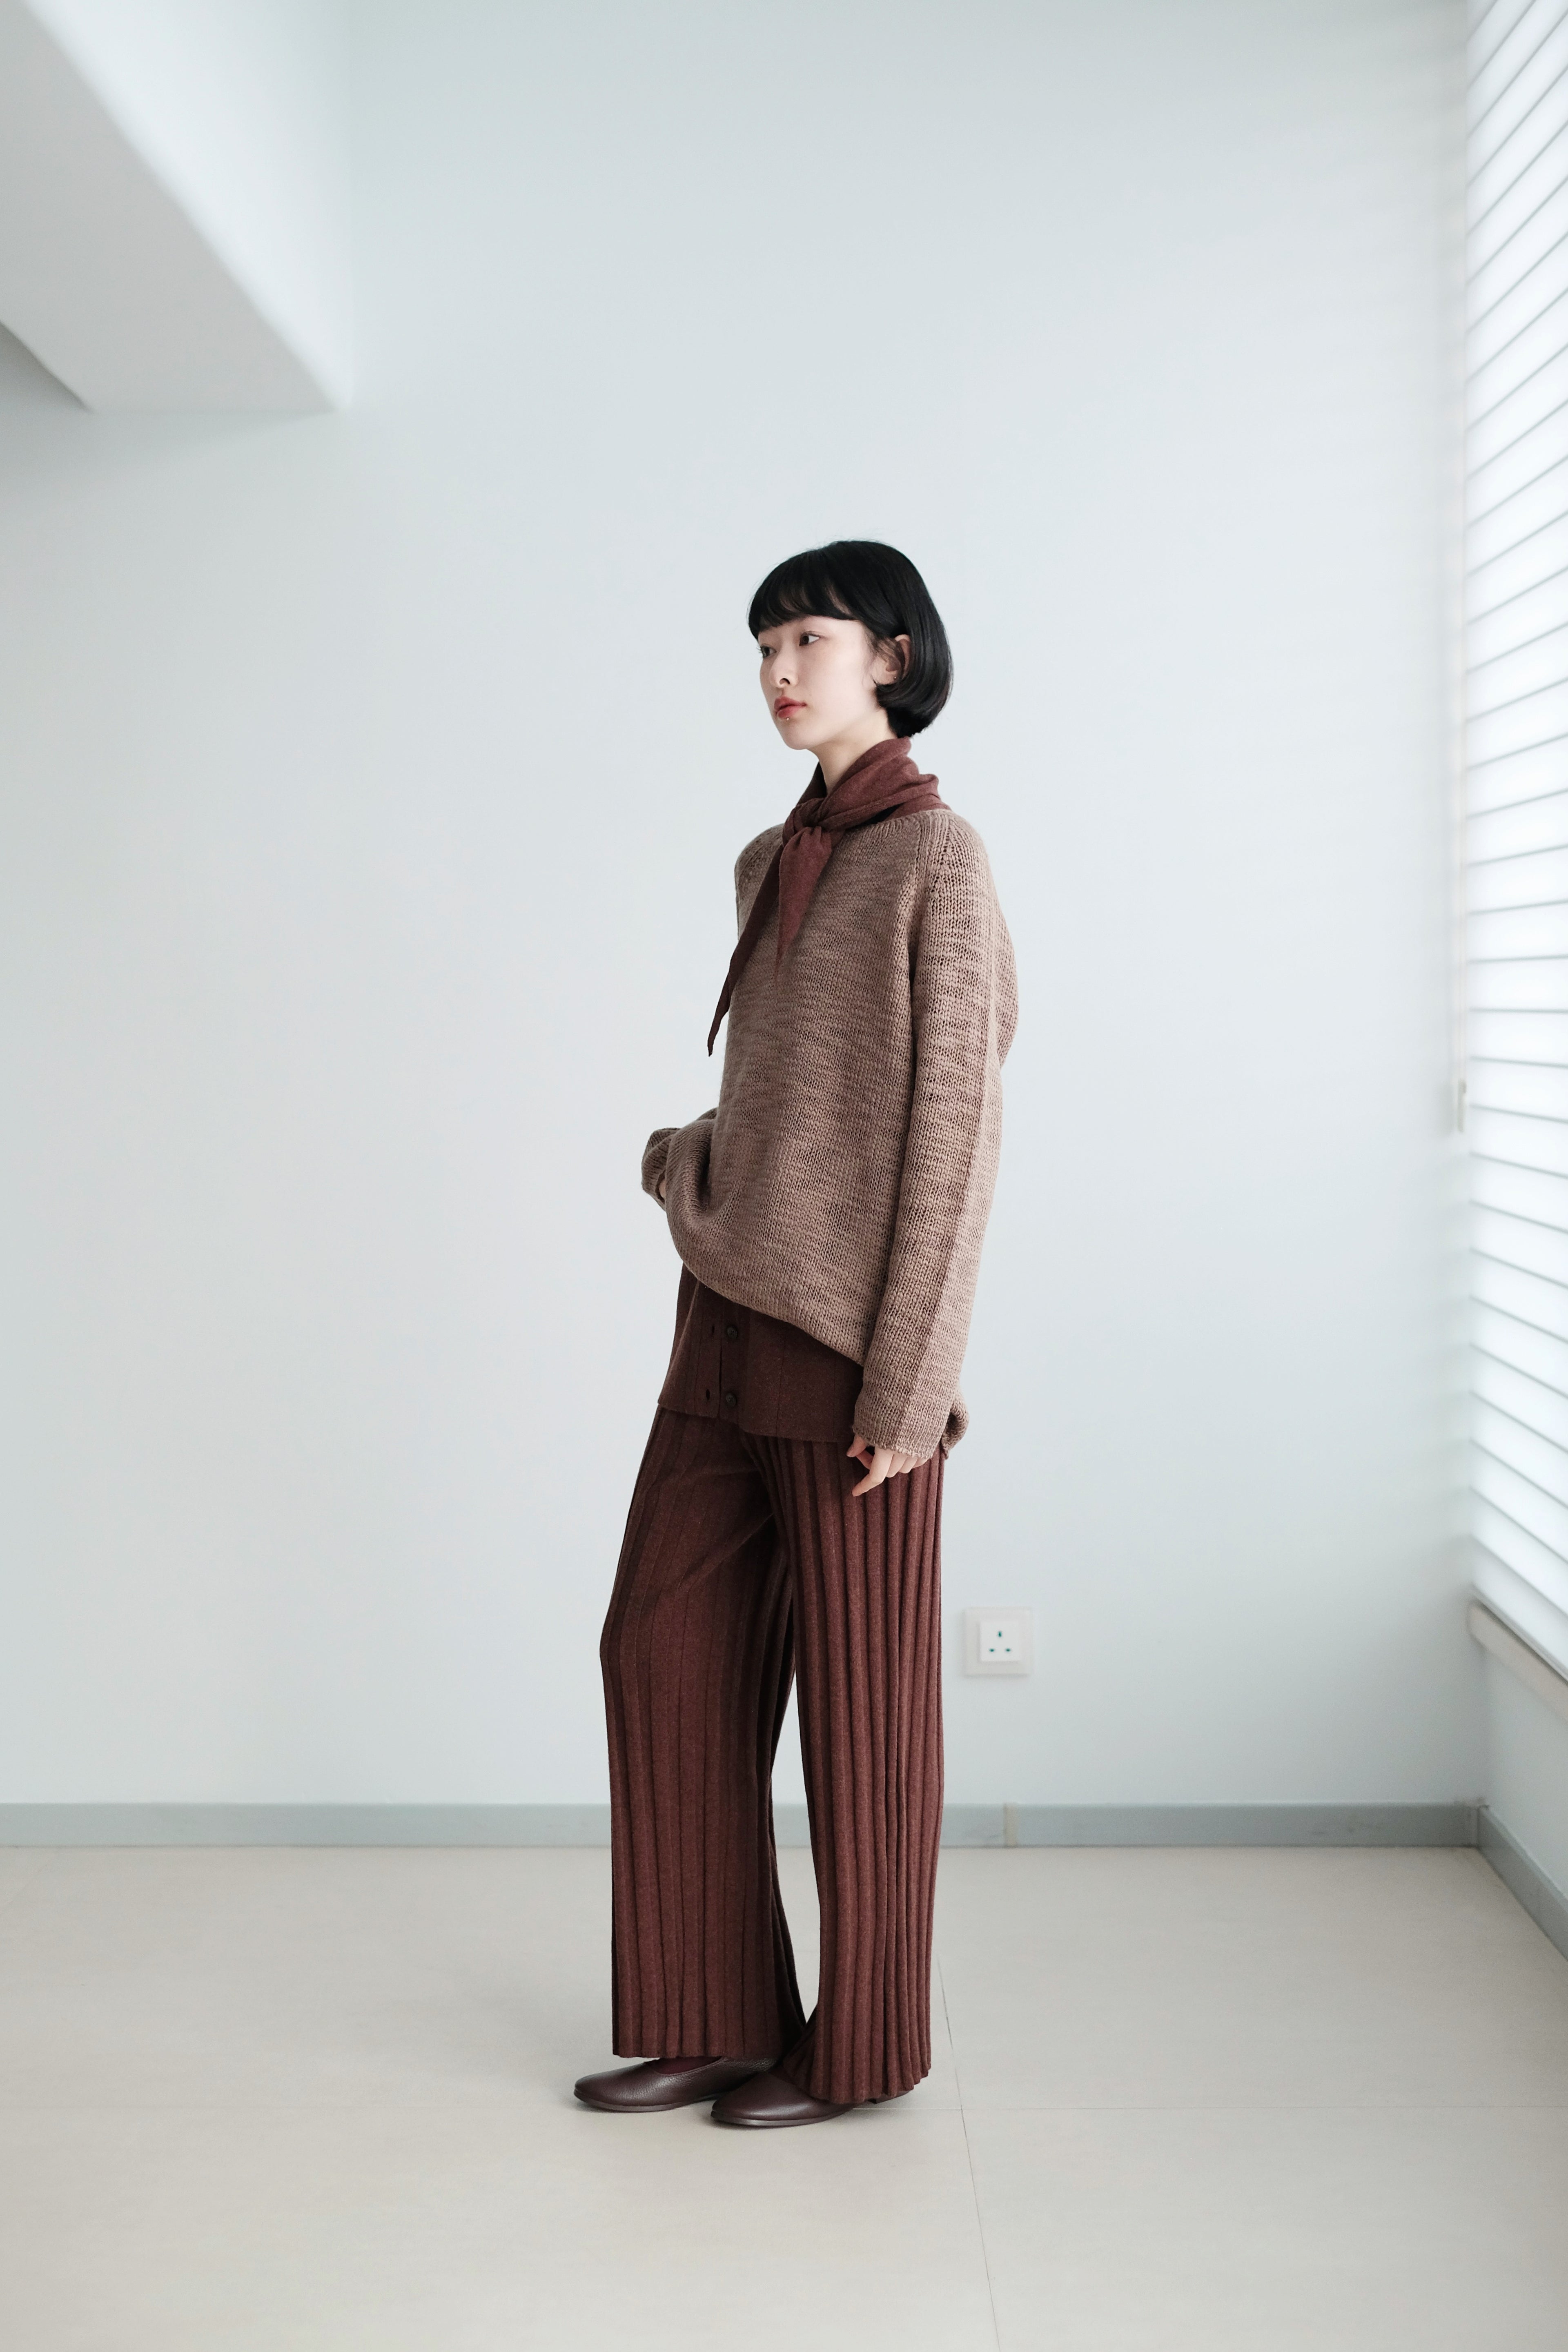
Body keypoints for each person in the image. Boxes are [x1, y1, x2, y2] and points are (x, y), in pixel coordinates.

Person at [574, 540, 1017, 2127]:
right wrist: (696, 1164)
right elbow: (783, 1096)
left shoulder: (938, 860)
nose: (778, 669)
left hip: (852, 1356)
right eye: (764, 644)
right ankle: (710, 2012)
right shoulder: (773, 857)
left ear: (891, 654)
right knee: (659, 1646)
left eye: (808, 638)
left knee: (862, 1716)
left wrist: (914, 1380)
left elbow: (953, 1137)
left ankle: (861, 2047)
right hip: (725, 1324)